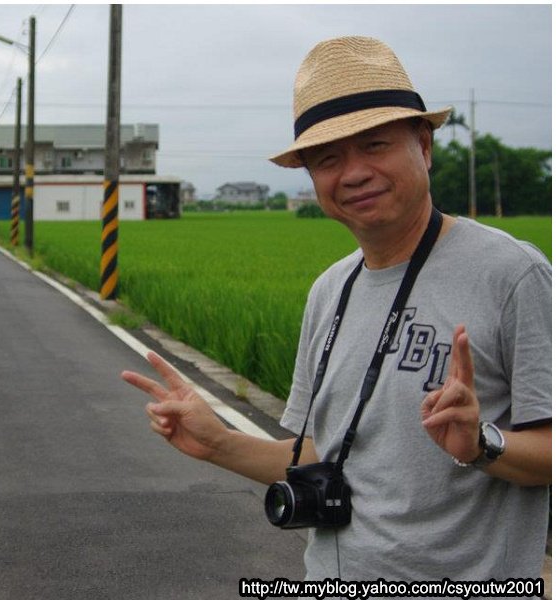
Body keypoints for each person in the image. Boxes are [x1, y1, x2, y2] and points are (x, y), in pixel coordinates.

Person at [121, 36, 551, 586]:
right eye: (328, 158)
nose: (352, 173)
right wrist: (217, 444)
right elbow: (323, 453)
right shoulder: (330, 291)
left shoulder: (512, 275)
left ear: (424, 145)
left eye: (374, 146)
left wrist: (483, 443)